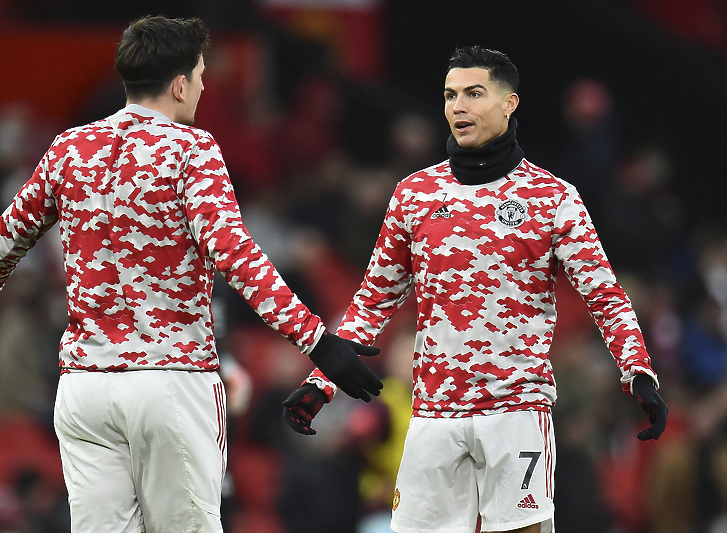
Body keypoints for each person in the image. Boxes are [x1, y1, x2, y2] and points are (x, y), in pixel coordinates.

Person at [0, 15, 383, 533]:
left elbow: (6, 236)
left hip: (85, 390)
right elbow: (234, 254)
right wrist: (318, 342)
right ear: (180, 82)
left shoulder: (69, 149)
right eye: (202, 75)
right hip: (169, 383)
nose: (204, 87)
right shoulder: (192, 149)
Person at [282, 46, 668, 533]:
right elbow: (373, 298)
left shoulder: (552, 198)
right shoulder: (414, 195)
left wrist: (639, 373)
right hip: (433, 415)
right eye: (449, 95)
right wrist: (321, 382)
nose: (457, 106)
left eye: (473, 93)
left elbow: (604, 296)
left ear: (510, 104)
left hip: (516, 413)